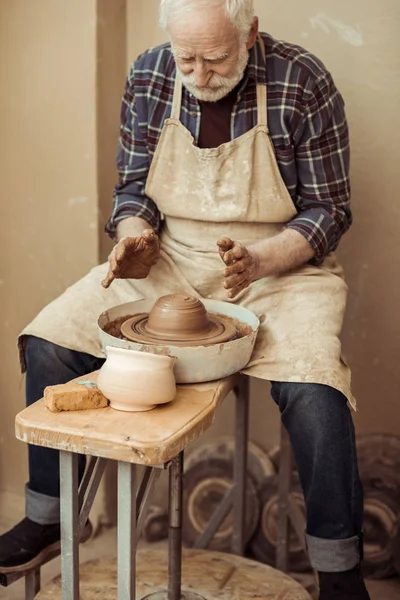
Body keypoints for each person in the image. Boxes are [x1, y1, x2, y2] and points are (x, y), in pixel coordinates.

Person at [0, 1, 370, 598]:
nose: (199, 74)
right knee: (48, 340)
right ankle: (49, 518)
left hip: (280, 265)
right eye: (186, 57)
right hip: (171, 257)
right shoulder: (149, 73)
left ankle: (338, 567)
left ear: (249, 33)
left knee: (317, 389)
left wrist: (263, 260)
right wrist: (132, 242)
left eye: (216, 58)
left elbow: (331, 209)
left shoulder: (303, 79)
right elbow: (132, 191)